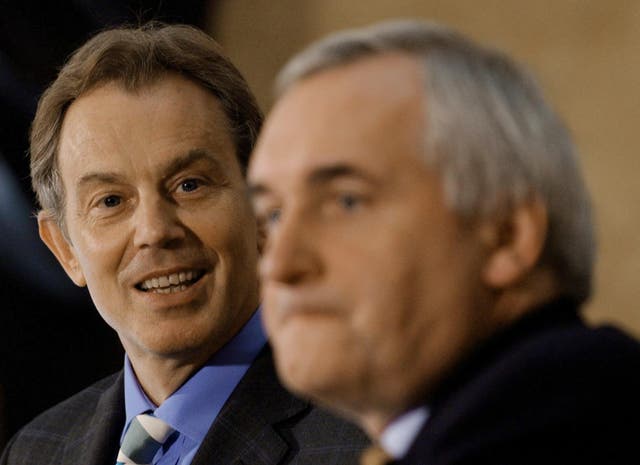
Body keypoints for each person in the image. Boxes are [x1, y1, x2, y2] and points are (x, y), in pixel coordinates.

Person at [248, 19, 640, 464]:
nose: (280, 264)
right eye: (273, 215)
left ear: (505, 236)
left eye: (347, 201)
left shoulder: (557, 430)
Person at [0, 23, 367, 465]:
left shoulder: (367, 439)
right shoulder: (36, 451)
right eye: (111, 200)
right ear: (65, 250)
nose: (155, 230)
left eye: (190, 185)